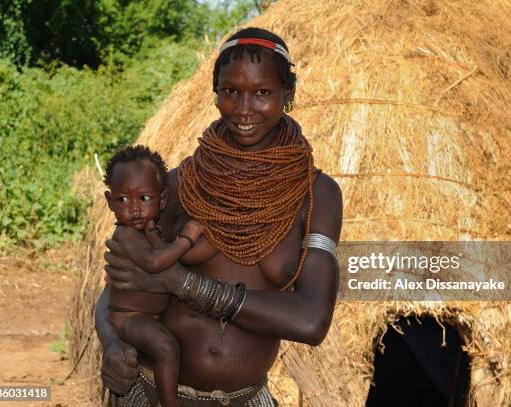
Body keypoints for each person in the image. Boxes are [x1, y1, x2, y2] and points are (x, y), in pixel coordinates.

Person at [96, 27, 343, 407]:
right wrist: (112, 345)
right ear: (215, 93)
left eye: (262, 93)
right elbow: (119, 286)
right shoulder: (179, 186)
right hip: (152, 395)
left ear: (287, 94)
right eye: (230, 92)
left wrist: (182, 284)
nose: (244, 110)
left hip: (245, 399)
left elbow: (311, 321)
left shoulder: (316, 195)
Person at [103, 145, 203, 407]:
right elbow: (154, 262)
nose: (134, 208)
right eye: (123, 200)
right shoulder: (125, 235)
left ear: (163, 199)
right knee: (166, 348)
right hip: (129, 317)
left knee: (168, 347)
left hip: (143, 316)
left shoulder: (149, 231)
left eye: (144, 199)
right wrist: (186, 240)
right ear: (110, 201)